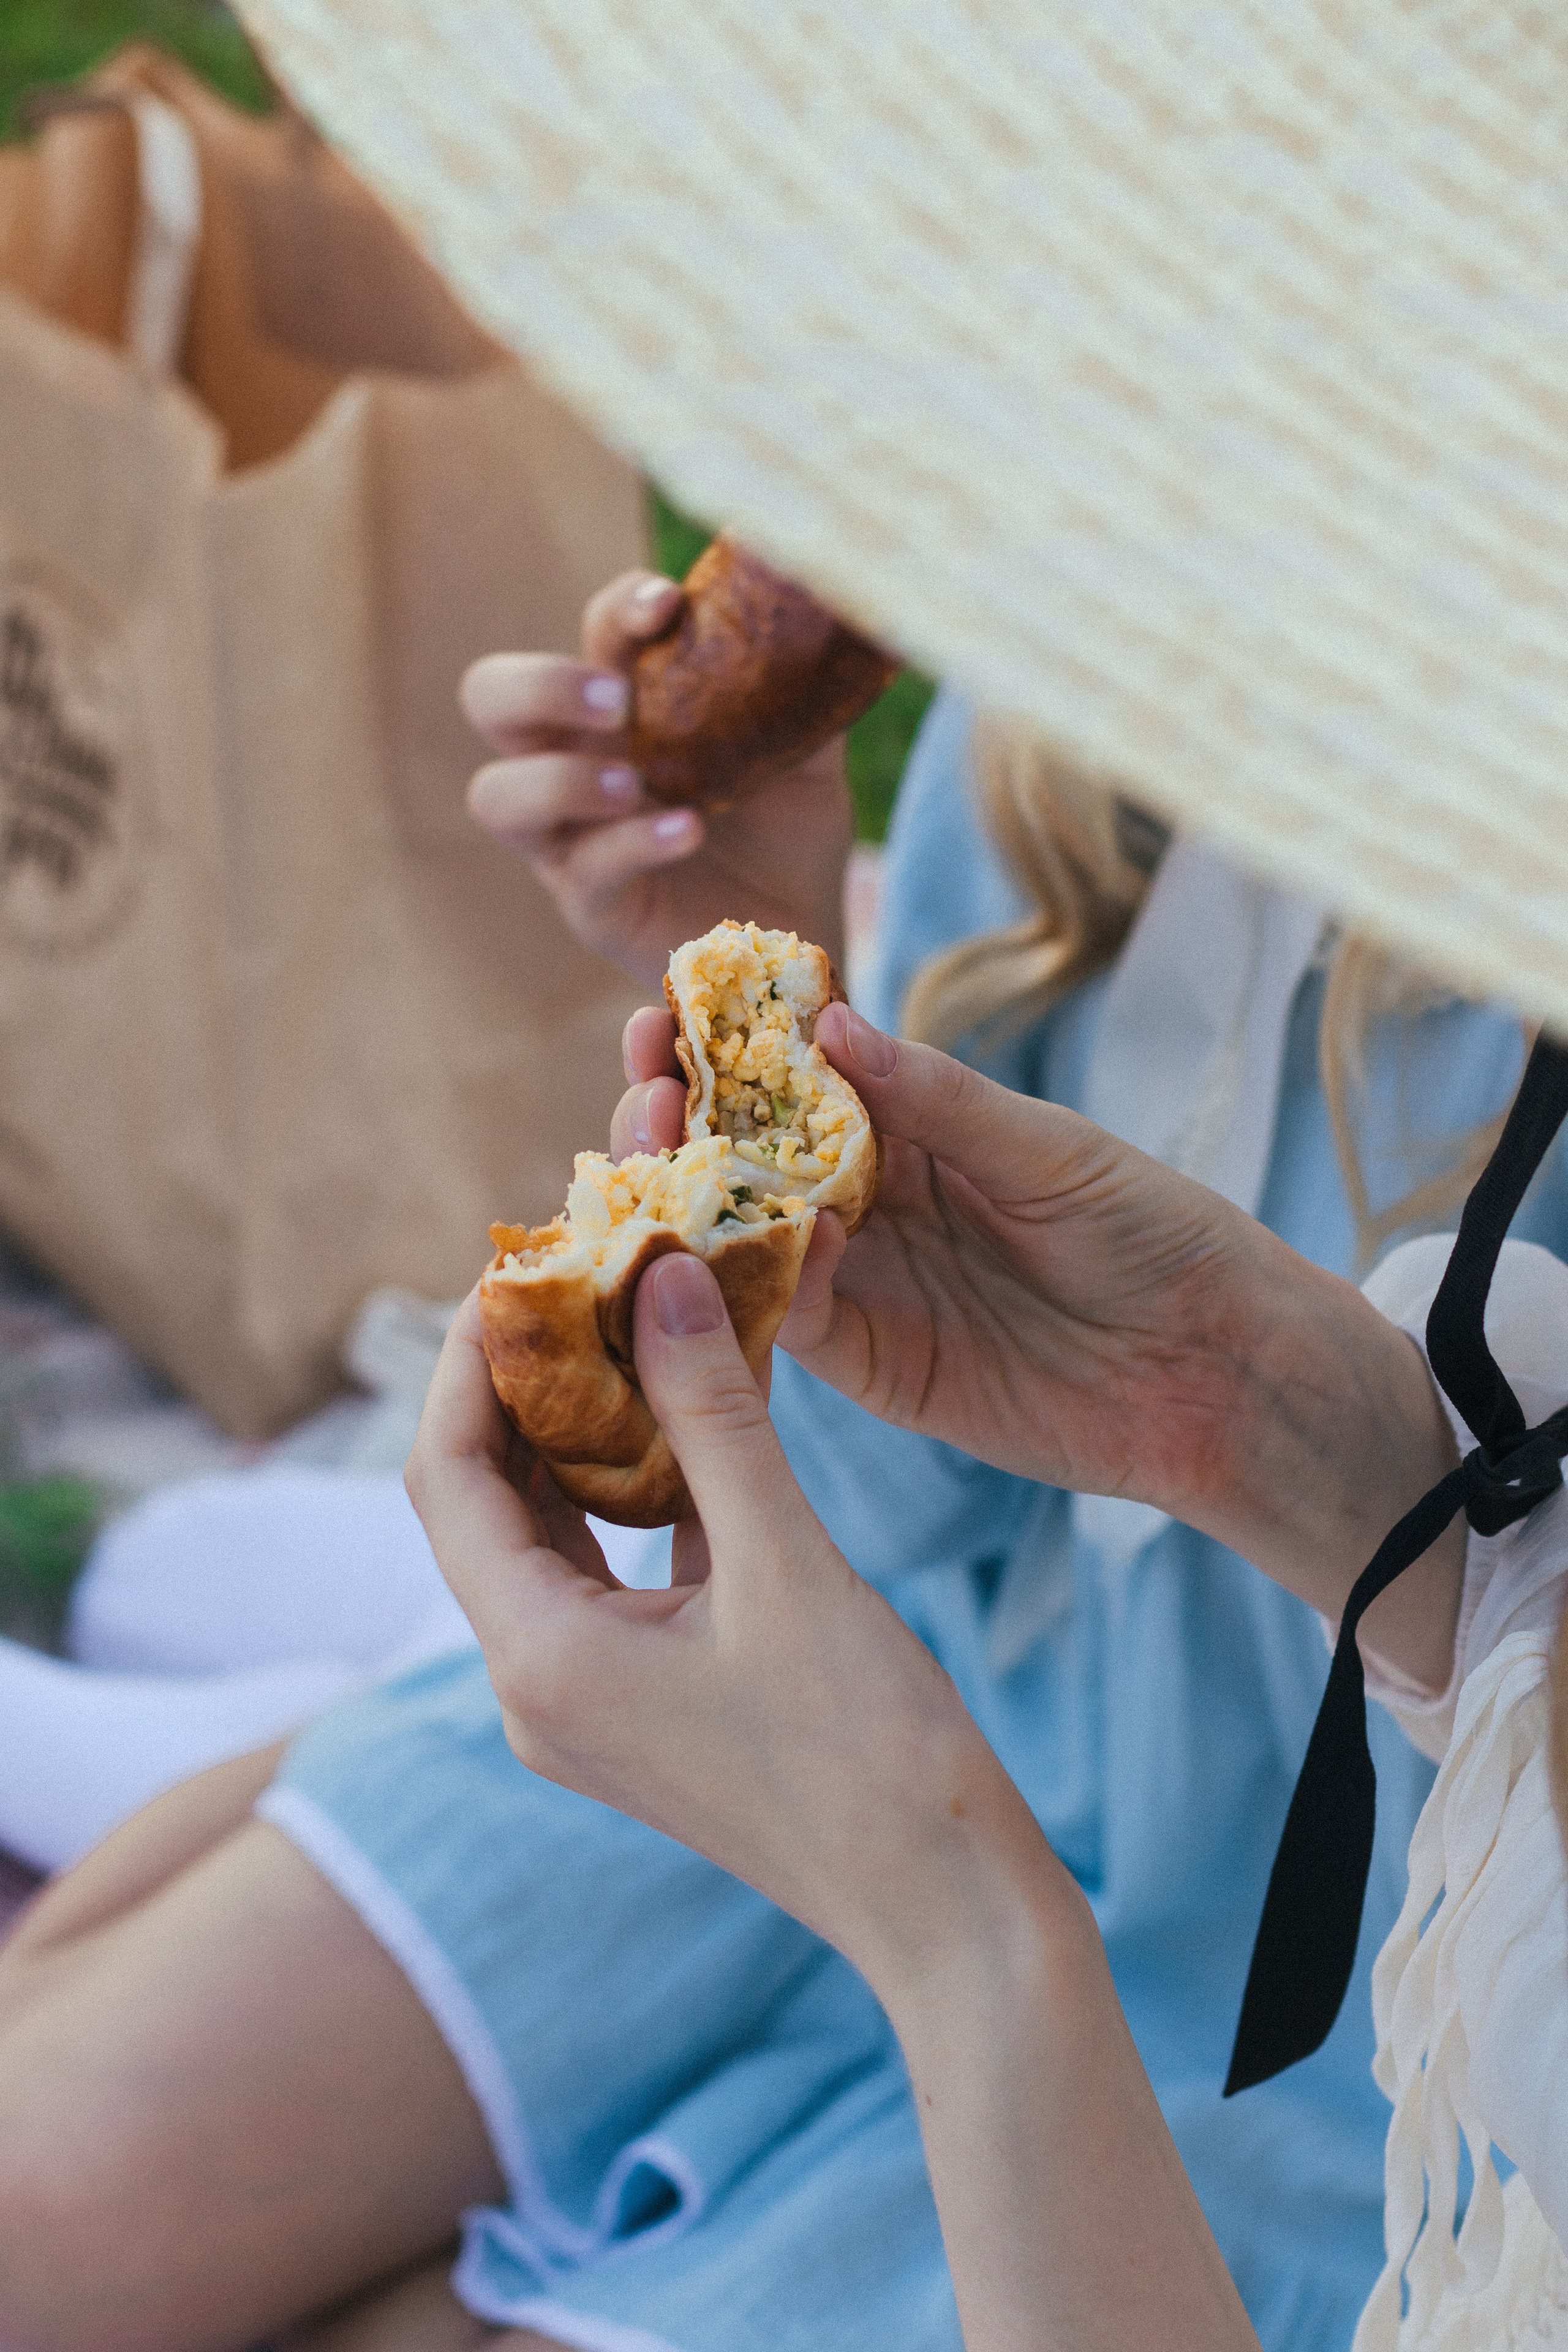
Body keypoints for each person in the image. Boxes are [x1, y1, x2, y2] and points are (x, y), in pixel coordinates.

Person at [0, 569, 1556, 2352]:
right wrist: (776, 964)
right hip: (959, 1671)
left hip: (1334, 2007)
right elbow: (927, 1473)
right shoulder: (1106, 662)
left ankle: (369, 1684)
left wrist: (939, 1889)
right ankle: (410, 1689)